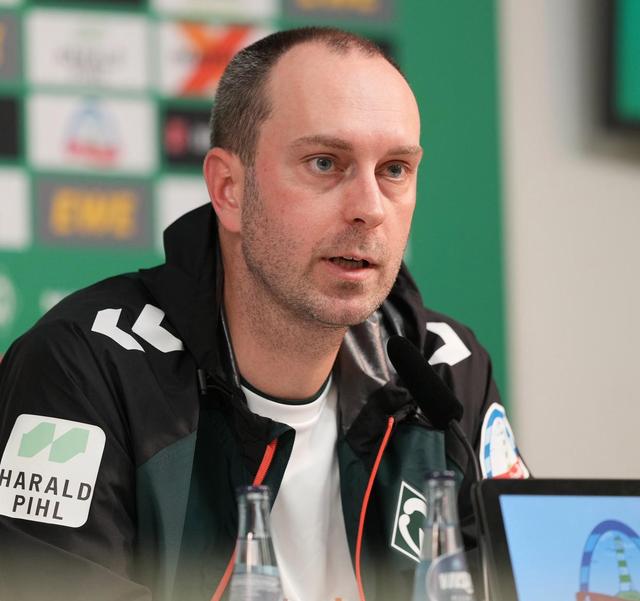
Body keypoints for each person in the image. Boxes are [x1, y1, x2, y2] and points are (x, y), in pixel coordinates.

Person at [0, 27, 528, 601]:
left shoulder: (444, 371)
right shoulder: (86, 366)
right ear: (229, 188)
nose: (369, 209)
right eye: (325, 163)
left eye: (395, 169)